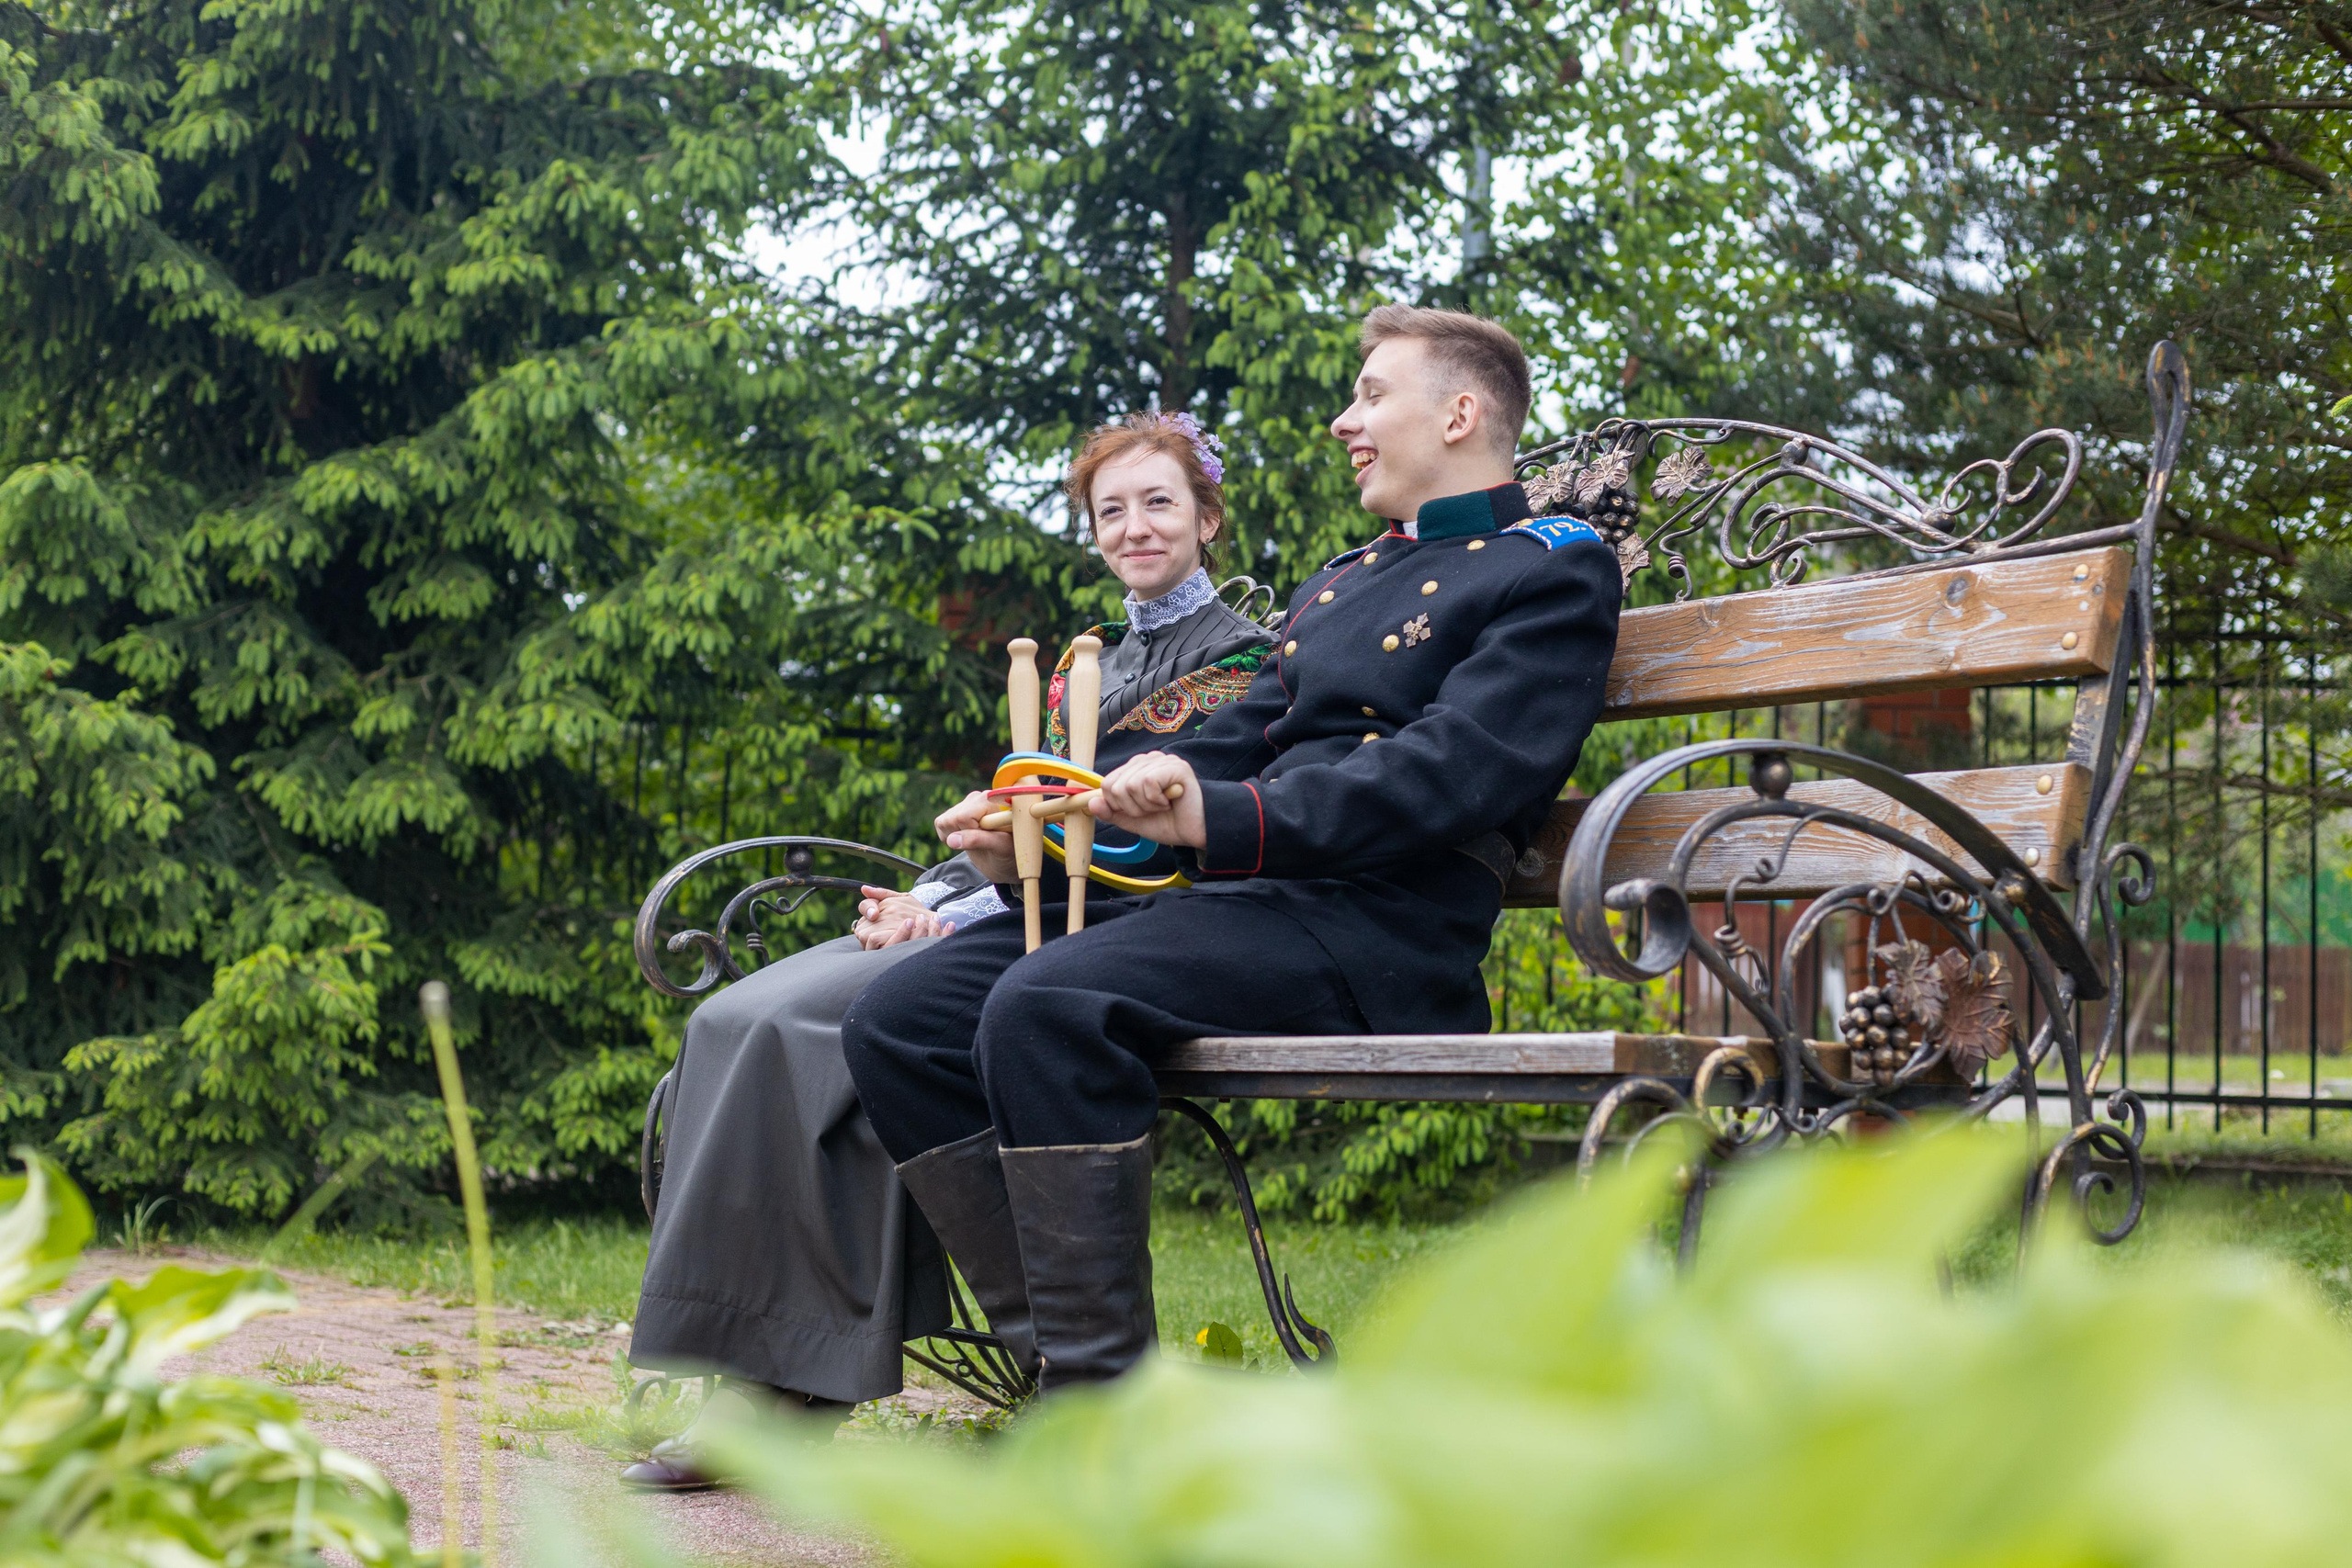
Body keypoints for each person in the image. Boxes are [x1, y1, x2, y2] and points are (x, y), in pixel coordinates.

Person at [841, 305, 1624, 1393]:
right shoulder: (1343, 578)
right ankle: (1067, 1364)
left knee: (1044, 1004)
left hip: (1371, 926)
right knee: (901, 1019)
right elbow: (1233, 738)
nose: (1346, 422)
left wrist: (1221, 819)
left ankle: (1098, 1410)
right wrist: (1060, 813)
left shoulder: (1548, 572)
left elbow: (1451, 773)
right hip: (1242, 908)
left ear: (1459, 412)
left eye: (1371, 395)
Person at [622, 413, 1271, 1489]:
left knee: (824, 1027)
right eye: (1111, 510)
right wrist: (919, 897)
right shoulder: (1074, 669)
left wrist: (950, 921)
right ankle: (752, 1366)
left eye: (1159, 503)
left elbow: (1123, 840)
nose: (1135, 526)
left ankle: (793, 1392)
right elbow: (1015, 817)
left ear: (1206, 517)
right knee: (733, 1017)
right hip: (992, 912)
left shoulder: (1236, 663)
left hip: (1108, 925)